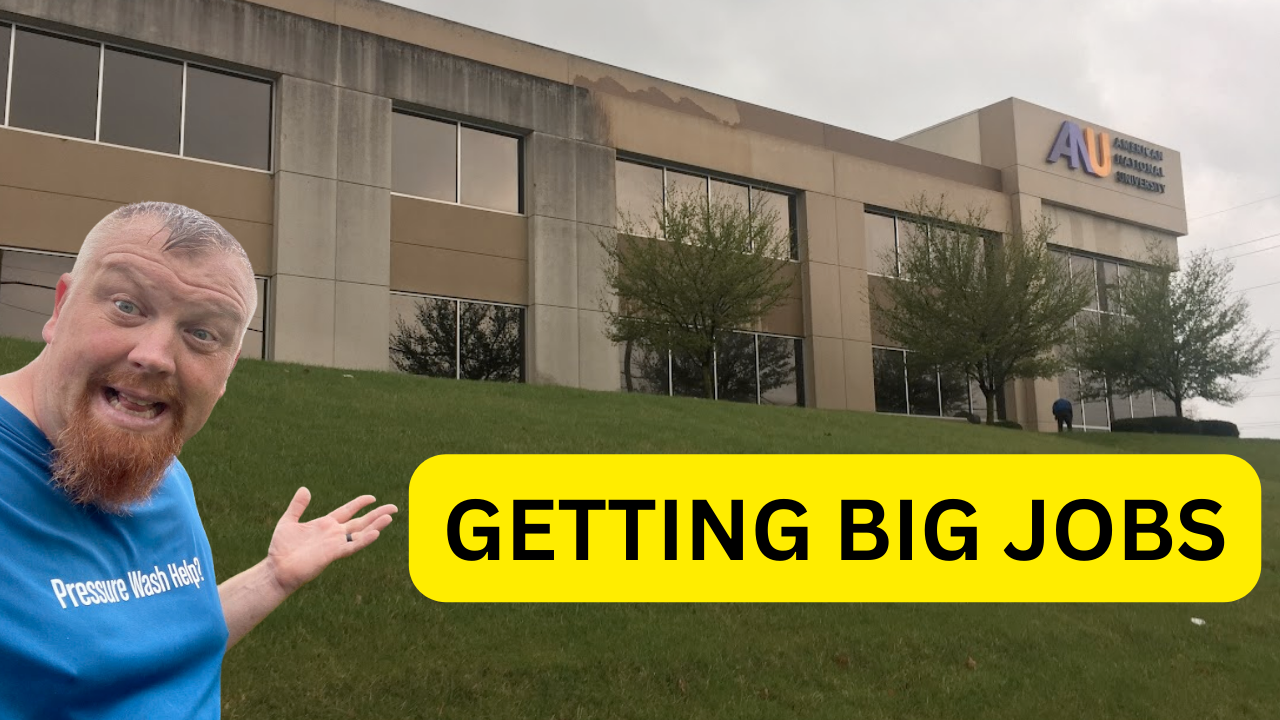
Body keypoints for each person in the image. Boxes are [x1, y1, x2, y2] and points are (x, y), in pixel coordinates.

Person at [0, 202, 397, 719]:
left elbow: (168, 647)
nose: (155, 355)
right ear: (60, 308)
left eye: (203, 334)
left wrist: (273, 577)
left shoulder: (161, 473)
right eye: (127, 306)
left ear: (228, 369)